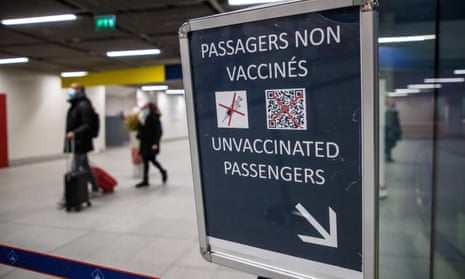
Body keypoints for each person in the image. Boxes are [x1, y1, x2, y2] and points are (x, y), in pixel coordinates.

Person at [63, 82, 101, 200]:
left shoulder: (84, 105)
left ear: (81, 90)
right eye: (71, 88)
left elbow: (87, 125)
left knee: (75, 168)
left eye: (74, 88)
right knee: (85, 166)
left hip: (82, 142)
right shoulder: (75, 105)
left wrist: (74, 132)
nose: (71, 90)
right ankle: (95, 188)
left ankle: (67, 196)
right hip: (77, 141)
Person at [135, 102, 167, 187]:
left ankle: (163, 171)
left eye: (146, 108)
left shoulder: (155, 118)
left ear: (150, 109)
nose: (144, 109)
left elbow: (158, 132)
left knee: (152, 160)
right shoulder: (143, 117)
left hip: (151, 143)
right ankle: (145, 180)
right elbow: (141, 129)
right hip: (144, 143)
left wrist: (155, 143)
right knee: (145, 162)